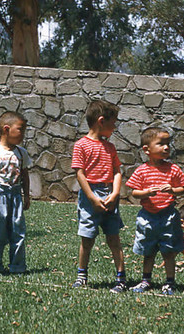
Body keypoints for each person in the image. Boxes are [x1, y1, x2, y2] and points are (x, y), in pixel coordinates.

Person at [126, 127, 184, 295]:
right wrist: (146, 192)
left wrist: (172, 190)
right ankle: (146, 280)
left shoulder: (173, 169)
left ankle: (169, 282)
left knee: (168, 251)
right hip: (148, 217)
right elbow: (134, 192)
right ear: (147, 150)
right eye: (161, 144)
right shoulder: (141, 170)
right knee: (149, 251)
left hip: (168, 216)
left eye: (168, 143)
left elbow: (181, 189)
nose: (166, 147)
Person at [71, 100, 126, 293]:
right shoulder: (81, 146)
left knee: (114, 238)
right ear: (101, 121)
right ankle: (82, 275)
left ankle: (121, 278)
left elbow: (117, 171)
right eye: (114, 122)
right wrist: (92, 198)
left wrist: (116, 193)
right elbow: (80, 173)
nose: (115, 127)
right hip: (90, 197)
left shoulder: (110, 147)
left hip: (109, 195)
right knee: (87, 239)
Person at [0, 111, 32, 277]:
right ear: (6, 129)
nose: (23, 134)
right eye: (20, 130)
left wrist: (26, 196)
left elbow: (25, 175)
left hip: (15, 194)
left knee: (18, 231)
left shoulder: (21, 153)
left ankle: (17, 266)